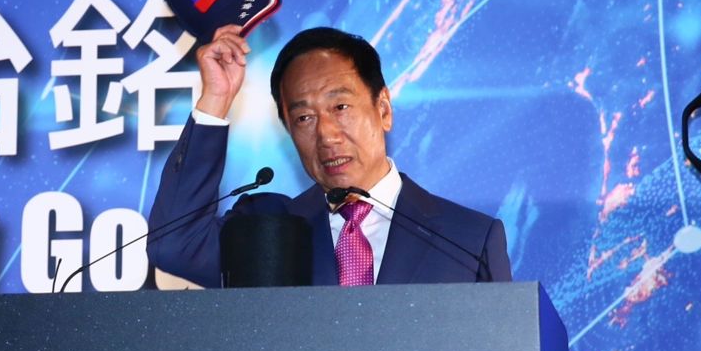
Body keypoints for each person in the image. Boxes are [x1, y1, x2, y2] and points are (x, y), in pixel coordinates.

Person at [148, 25, 511, 287]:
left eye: (340, 107)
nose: (326, 135)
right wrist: (216, 99)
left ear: (383, 109)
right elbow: (175, 245)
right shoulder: (268, 231)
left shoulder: (467, 239)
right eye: (304, 118)